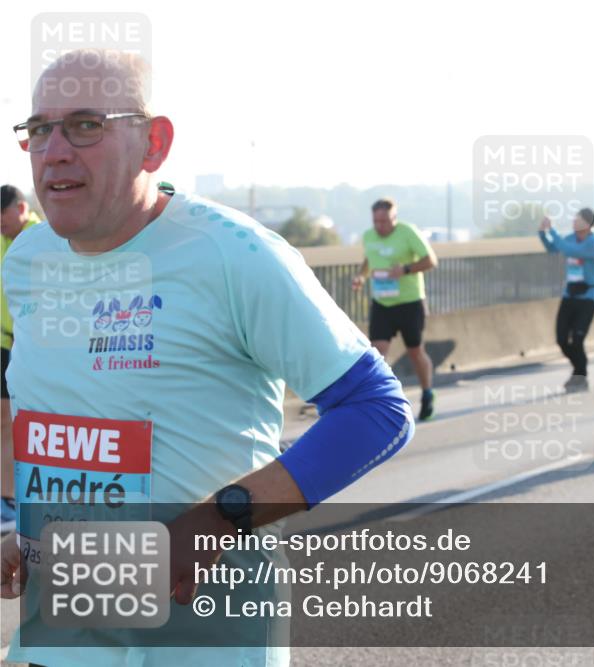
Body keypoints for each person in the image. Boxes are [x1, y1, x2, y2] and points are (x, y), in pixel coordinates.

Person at [0, 49, 414, 667]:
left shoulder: (232, 254)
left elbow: (377, 410)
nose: (54, 151)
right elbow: (65, 423)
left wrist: (218, 519)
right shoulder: (27, 260)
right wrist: (29, 533)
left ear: (154, 143)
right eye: (39, 129)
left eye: (86, 125)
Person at [352, 198, 438, 420]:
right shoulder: (368, 236)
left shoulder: (408, 232)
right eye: (376, 221)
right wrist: (361, 276)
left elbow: (431, 260)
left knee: (415, 352)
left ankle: (427, 394)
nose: (380, 226)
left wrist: (406, 269)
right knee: (377, 353)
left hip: (409, 302)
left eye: (384, 221)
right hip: (382, 303)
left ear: (394, 218)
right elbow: (369, 260)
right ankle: (380, 401)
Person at [0, 185, 41, 534]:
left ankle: (15, 500)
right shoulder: (3, 240)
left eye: (3, 213)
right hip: (3, 343)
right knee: (5, 422)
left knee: (24, 424)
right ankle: (7, 499)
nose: (0, 221)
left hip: (34, 347)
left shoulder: (45, 239)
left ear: (21, 208)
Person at [538, 209, 594, 393]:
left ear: (588, 224)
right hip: (570, 295)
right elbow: (553, 248)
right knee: (561, 339)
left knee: (577, 339)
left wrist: (553, 231)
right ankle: (579, 370)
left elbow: (571, 251)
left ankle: (580, 375)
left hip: (589, 296)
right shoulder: (570, 238)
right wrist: (543, 233)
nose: (574, 222)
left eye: (578, 220)